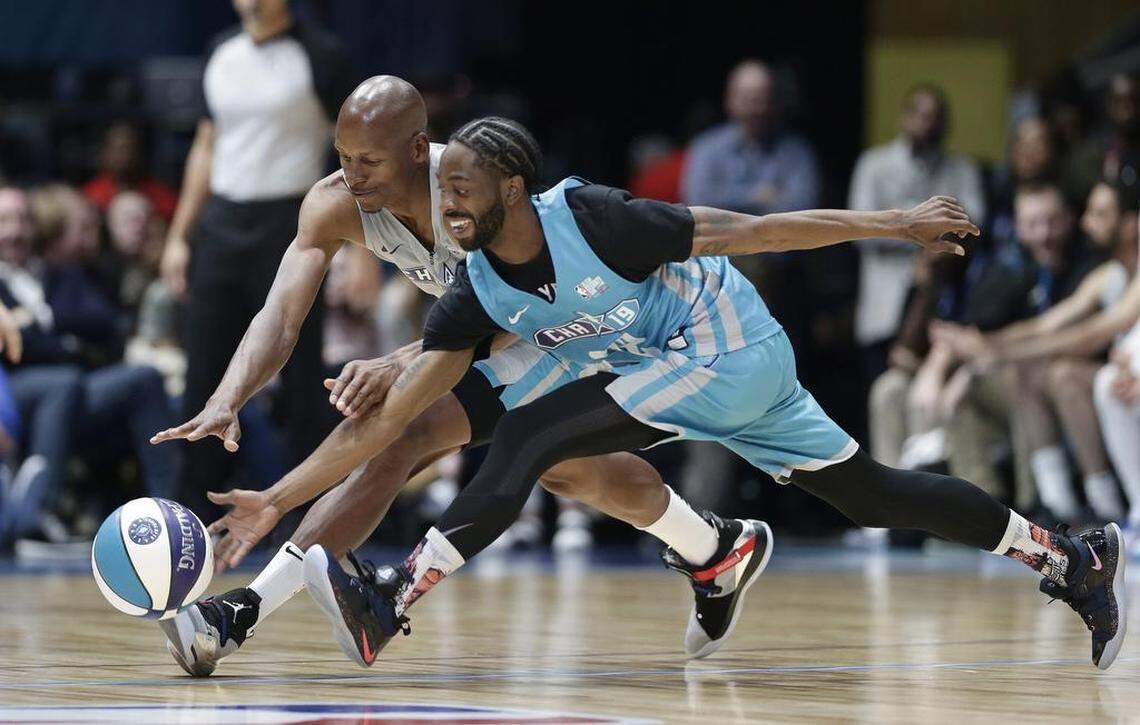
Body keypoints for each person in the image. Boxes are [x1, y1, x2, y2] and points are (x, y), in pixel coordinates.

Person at [271, 117, 1121, 671]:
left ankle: (390, 597)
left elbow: (757, 232)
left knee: (530, 435)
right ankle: (1070, 557)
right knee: (874, 494)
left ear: (511, 190)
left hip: (727, 344)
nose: (445, 206)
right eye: (440, 190)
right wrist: (277, 496)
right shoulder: (478, 289)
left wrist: (893, 224)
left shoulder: (600, 218)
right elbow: (398, 416)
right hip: (700, 365)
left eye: (460, 188)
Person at [150, 78, 734, 676]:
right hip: (493, 344)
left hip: (581, 324)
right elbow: (279, 317)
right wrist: (229, 396)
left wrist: (404, 360)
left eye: (370, 160)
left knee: (409, 432)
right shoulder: (332, 204)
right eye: (344, 156)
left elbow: (521, 298)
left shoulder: (472, 189)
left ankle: (238, 613)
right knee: (565, 472)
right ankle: (713, 548)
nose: (354, 174)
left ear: (418, 149)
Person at [159, 0, 354, 518]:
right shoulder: (221, 50)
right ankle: (191, 517)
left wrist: (358, 247)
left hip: (292, 222)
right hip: (221, 224)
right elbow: (206, 143)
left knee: (300, 378)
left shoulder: (323, 54)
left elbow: (353, 152)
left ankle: (310, 520)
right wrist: (180, 234)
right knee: (203, 373)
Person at [934, 181, 1137, 521]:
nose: (1086, 222)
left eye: (1100, 214)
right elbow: (1045, 326)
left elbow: (1093, 334)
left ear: (1132, 224)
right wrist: (986, 345)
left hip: (1123, 380)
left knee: (1064, 374)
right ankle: (1057, 504)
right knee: (1030, 373)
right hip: (1121, 380)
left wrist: (996, 354)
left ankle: (1107, 505)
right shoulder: (1109, 274)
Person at [848, 85, 985, 380]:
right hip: (884, 299)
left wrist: (902, 223)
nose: (928, 123)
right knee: (882, 392)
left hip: (941, 298)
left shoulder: (962, 168)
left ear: (946, 124)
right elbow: (859, 231)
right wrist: (926, 230)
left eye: (936, 117)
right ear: (904, 118)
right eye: (921, 115)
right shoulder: (874, 165)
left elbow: (974, 223)